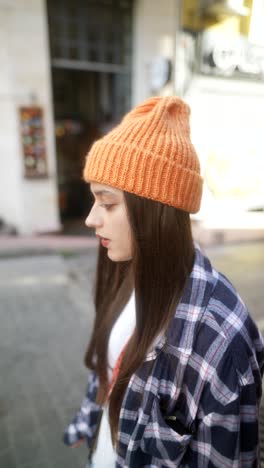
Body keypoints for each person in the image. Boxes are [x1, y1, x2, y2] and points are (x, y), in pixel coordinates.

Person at [63, 96, 264, 467]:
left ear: (154, 210)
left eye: (107, 203)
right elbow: (109, 373)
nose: (91, 219)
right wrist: (88, 424)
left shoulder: (220, 340)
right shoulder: (125, 269)